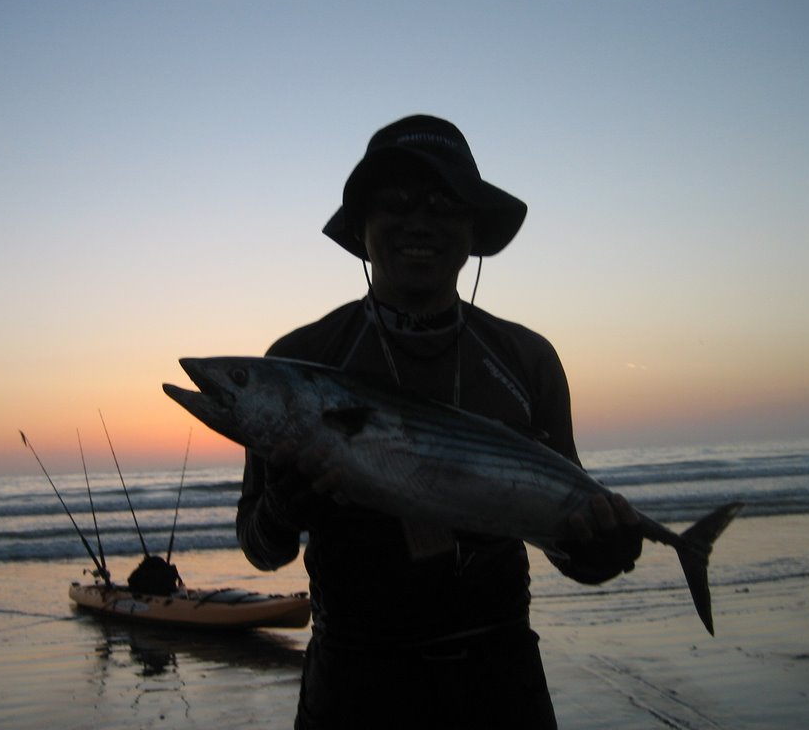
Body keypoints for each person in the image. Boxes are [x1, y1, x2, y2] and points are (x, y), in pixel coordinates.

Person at [236, 114, 642, 729]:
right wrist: (282, 511)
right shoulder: (299, 364)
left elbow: (565, 541)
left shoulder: (526, 360)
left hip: (499, 682)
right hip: (353, 684)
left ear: (472, 229)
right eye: (395, 202)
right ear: (363, 228)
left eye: (444, 204)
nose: (419, 221)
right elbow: (260, 549)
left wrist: (602, 551)